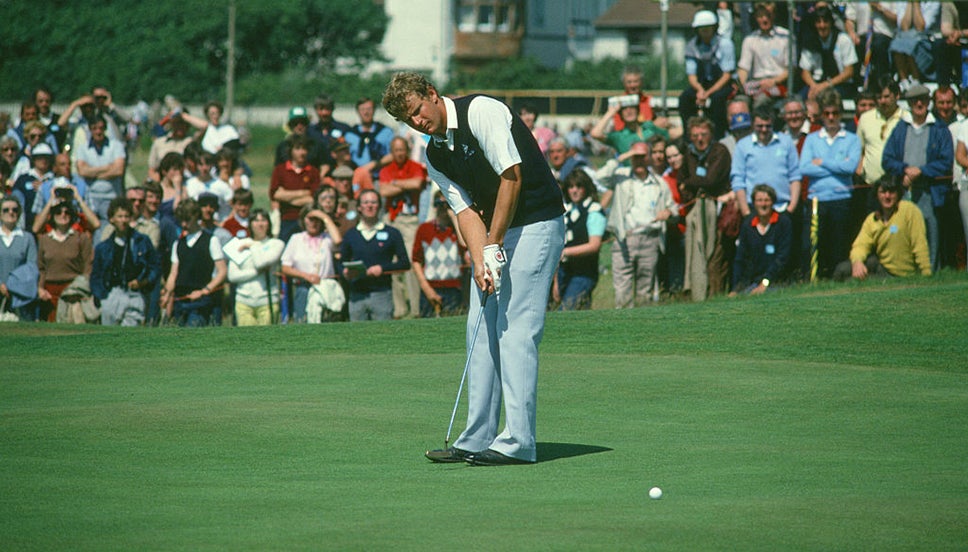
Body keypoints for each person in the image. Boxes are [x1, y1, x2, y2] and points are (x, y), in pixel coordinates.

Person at [383, 71, 565, 466]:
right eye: (407, 120)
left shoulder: (481, 111)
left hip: (536, 223)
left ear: (432, 94)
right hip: (496, 232)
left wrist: (494, 243)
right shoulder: (434, 154)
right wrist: (481, 256)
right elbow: (464, 211)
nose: (417, 122)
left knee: (515, 329)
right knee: (478, 326)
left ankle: (518, 442)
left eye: (417, 111)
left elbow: (511, 179)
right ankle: (476, 437)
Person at [882, 83, 954, 274]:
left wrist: (921, 171)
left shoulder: (939, 129)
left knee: (931, 232)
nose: (919, 104)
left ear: (929, 102)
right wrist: (905, 170)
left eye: (923, 100)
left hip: (930, 191)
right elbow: (887, 159)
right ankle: (906, 273)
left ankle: (931, 273)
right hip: (904, 191)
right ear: (910, 103)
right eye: (915, 100)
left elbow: (946, 162)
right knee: (904, 233)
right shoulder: (901, 128)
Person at [596, 141, 674, 308]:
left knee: (645, 292)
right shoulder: (621, 176)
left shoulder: (659, 183)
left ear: (649, 158)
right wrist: (623, 157)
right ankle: (623, 329)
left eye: (642, 156)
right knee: (622, 292)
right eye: (635, 157)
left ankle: (643, 329)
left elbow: (672, 208)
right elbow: (599, 177)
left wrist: (667, 213)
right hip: (624, 239)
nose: (639, 160)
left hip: (650, 240)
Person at [799, 88, 863, 279]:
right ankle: (815, 281)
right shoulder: (811, 139)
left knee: (839, 243)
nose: (831, 117)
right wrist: (837, 166)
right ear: (821, 115)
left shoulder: (851, 139)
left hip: (841, 198)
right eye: (827, 113)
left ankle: (839, 281)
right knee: (814, 243)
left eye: (835, 113)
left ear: (840, 113)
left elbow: (850, 168)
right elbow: (805, 168)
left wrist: (823, 162)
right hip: (817, 198)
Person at [834, 175, 931, 280]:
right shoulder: (872, 219)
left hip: (902, 274)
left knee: (851, 282)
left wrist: (926, 273)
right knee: (842, 270)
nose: (887, 196)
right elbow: (860, 245)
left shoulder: (909, 211)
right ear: (877, 194)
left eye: (891, 192)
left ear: (898, 193)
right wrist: (857, 262)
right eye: (883, 192)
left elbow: (920, 244)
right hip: (881, 267)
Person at [679, 115, 733, 300]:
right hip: (695, 208)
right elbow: (682, 182)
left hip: (717, 211)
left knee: (713, 256)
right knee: (694, 253)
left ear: (711, 134)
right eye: (695, 135)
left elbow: (712, 180)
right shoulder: (689, 153)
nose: (699, 139)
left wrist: (689, 183)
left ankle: (713, 295)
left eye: (703, 134)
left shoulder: (720, 151)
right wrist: (690, 186)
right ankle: (694, 292)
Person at [339, 189, 410, 322]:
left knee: (382, 338)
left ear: (379, 206)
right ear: (359, 207)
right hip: (356, 296)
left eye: (373, 202)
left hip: (382, 294)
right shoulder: (351, 235)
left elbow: (405, 263)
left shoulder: (392, 233)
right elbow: (341, 262)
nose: (369, 206)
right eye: (365, 202)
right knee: (357, 337)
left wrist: (382, 269)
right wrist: (345, 272)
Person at [90, 198, 161, 326]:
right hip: (111, 294)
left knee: (131, 336)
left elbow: (155, 267)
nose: (123, 220)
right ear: (112, 219)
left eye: (126, 216)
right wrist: (101, 297)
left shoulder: (142, 242)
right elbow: (96, 274)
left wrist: (143, 282)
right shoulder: (103, 248)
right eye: (120, 216)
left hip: (134, 295)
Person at [378, 136, 428, 318]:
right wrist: (405, 185)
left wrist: (395, 184)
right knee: (394, 263)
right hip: (391, 218)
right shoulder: (386, 170)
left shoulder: (415, 167)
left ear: (407, 150)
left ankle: (415, 310)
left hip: (409, 219)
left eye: (402, 149)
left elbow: (418, 183)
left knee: (411, 262)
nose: (399, 153)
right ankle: (400, 310)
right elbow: (384, 191)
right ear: (391, 152)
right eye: (396, 150)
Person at [161, 199, 227, 327]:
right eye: (181, 220)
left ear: (196, 216)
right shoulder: (178, 244)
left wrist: (204, 291)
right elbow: (173, 274)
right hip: (180, 301)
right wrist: (167, 295)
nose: (184, 224)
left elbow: (222, 271)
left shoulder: (211, 240)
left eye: (187, 220)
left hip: (201, 302)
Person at [280, 205, 343, 323]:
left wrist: (325, 217)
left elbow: (338, 240)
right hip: (303, 287)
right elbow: (285, 267)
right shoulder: (296, 239)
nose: (313, 224)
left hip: (325, 288)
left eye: (317, 220)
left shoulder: (326, 239)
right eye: (310, 219)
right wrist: (307, 276)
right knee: (303, 322)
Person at [556, 168, 607, 310]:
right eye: (571, 187)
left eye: (579, 186)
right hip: (565, 271)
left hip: (584, 273)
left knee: (567, 310)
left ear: (586, 188)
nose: (574, 191)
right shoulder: (568, 211)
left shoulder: (594, 211)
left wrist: (566, 252)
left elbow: (594, 245)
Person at [680, 10, 735, 139]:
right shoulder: (691, 46)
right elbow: (691, 75)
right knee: (685, 99)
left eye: (707, 29)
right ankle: (689, 137)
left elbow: (727, 74)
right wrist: (700, 91)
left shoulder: (725, 44)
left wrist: (708, 93)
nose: (705, 32)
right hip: (701, 84)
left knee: (717, 101)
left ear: (714, 28)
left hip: (721, 84)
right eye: (701, 29)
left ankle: (718, 136)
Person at [411, 192, 467, 317]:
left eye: (447, 204)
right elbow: (416, 260)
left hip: (454, 287)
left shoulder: (457, 230)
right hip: (431, 286)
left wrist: (454, 218)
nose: (443, 208)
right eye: (440, 204)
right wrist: (427, 289)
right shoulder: (424, 229)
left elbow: (465, 245)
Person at [731, 183, 793, 294]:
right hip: (752, 283)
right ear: (754, 203)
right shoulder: (748, 225)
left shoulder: (783, 223)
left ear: (772, 202)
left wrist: (765, 283)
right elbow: (740, 258)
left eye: (766, 200)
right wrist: (735, 288)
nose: (763, 204)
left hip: (777, 282)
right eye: (759, 200)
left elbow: (782, 258)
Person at [36, 202, 93, 322]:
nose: (63, 215)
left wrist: (82, 288)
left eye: (67, 212)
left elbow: (88, 265)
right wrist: (40, 289)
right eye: (58, 212)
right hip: (50, 293)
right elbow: (41, 268)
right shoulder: (44, 240)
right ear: (52, 216)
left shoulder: (81, 238)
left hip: (73, 291)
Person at [228, 208, 285, 325]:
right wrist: (257, 272)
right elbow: (232, 276)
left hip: (268, 302)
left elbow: (260, 263)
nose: (260, 224)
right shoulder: (239, 244)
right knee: (246, 341)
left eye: (263, 220)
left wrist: (253, 245)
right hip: (243, 302)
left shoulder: (276, 244)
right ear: (250, 224)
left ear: (269, 223)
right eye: (256, 220)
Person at [798, 5, 858, 101]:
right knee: (800, 99)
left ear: (831, 23)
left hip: (839, 84)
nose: (822, 26)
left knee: (829, 99)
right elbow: (805, 71)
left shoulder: (843, 40)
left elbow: (849, 72)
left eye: (825, 22)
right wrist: (814, 86)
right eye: (818, 22)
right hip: (816, 83)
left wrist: (826, 85)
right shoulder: (810, 42)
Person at [74, 115, 126, 224]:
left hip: (111, 197)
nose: (98, 132)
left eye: (101, 128)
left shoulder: (116, 146)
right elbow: (82, 171)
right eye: (94, 128)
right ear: (90, 129)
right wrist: (107, 167)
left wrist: (92, 172)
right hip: (90, 197)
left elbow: (119, 170)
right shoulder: (83, 149)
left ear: (105, 129)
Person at [269, 135, 321, 243]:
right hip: (286, 218)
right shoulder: (280, 170)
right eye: (298, 149)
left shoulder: (313, 172)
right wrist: (303, 192)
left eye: (304, 149)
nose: (302, 152)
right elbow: (274, 194)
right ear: (291, 151)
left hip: (308, 219)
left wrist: (286, 196)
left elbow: (314, 198)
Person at [737, 3, 792, 100]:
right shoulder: (750, 39)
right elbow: (743, 68)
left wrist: (772, 81)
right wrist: (741, 86)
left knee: (761, 99)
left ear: (774, 16)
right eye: (760, 16)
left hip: (778, 83)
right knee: (740, 101)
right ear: (756, 18)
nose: (765, 20)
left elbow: (790, 69)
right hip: (757, 82)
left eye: (768, 16)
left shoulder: (786, 37)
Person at [590, 99, 670, 159]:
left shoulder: (650, 128)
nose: (629, 111)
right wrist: (610, 112)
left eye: (632, 107)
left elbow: (671, 135)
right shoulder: (619, 136)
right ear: (620, 114)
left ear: (638, 111)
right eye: (624, 109)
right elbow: (595, 133)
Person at [0, 196, 37, 319]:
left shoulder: (27, 238)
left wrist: (12, 286)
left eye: (15, 210)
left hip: (19, 295)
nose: (11, 212)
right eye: (6, 210)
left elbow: (31, 266)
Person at [890, 2, 941, 89]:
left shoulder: (933, 3)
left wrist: (916, 3)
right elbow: (904, 26)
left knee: (910, 44)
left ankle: (916, 79)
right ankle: (904, 81)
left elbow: (920, 27)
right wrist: (910, 4)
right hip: (905, 38)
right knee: (897, 43)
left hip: (927, 39)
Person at [344, 97, 394, 181]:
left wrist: (375, 164)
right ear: (358, 111)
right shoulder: (349, 135)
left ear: (374, 110)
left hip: (380, 177)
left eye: (369, 109)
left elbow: (393, 154)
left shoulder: (386, 132)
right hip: (356, 177)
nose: (366, 112)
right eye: (362, 109)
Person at [184, 151, 233, 221]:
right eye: (201, 164)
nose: (204, 168)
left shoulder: (221, 185)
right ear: (196, 166)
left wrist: (224, 224)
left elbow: (234, 207)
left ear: (212, 165)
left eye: (207, 164)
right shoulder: (189, 184)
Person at [146, 111, 193, 182]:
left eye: (182, 124)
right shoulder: (159, 142)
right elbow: (151, 169)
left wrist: (184, 115)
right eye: (176, 123)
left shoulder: (191, 141)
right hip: (162, 180)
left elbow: (205, 126)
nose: (179, 126)